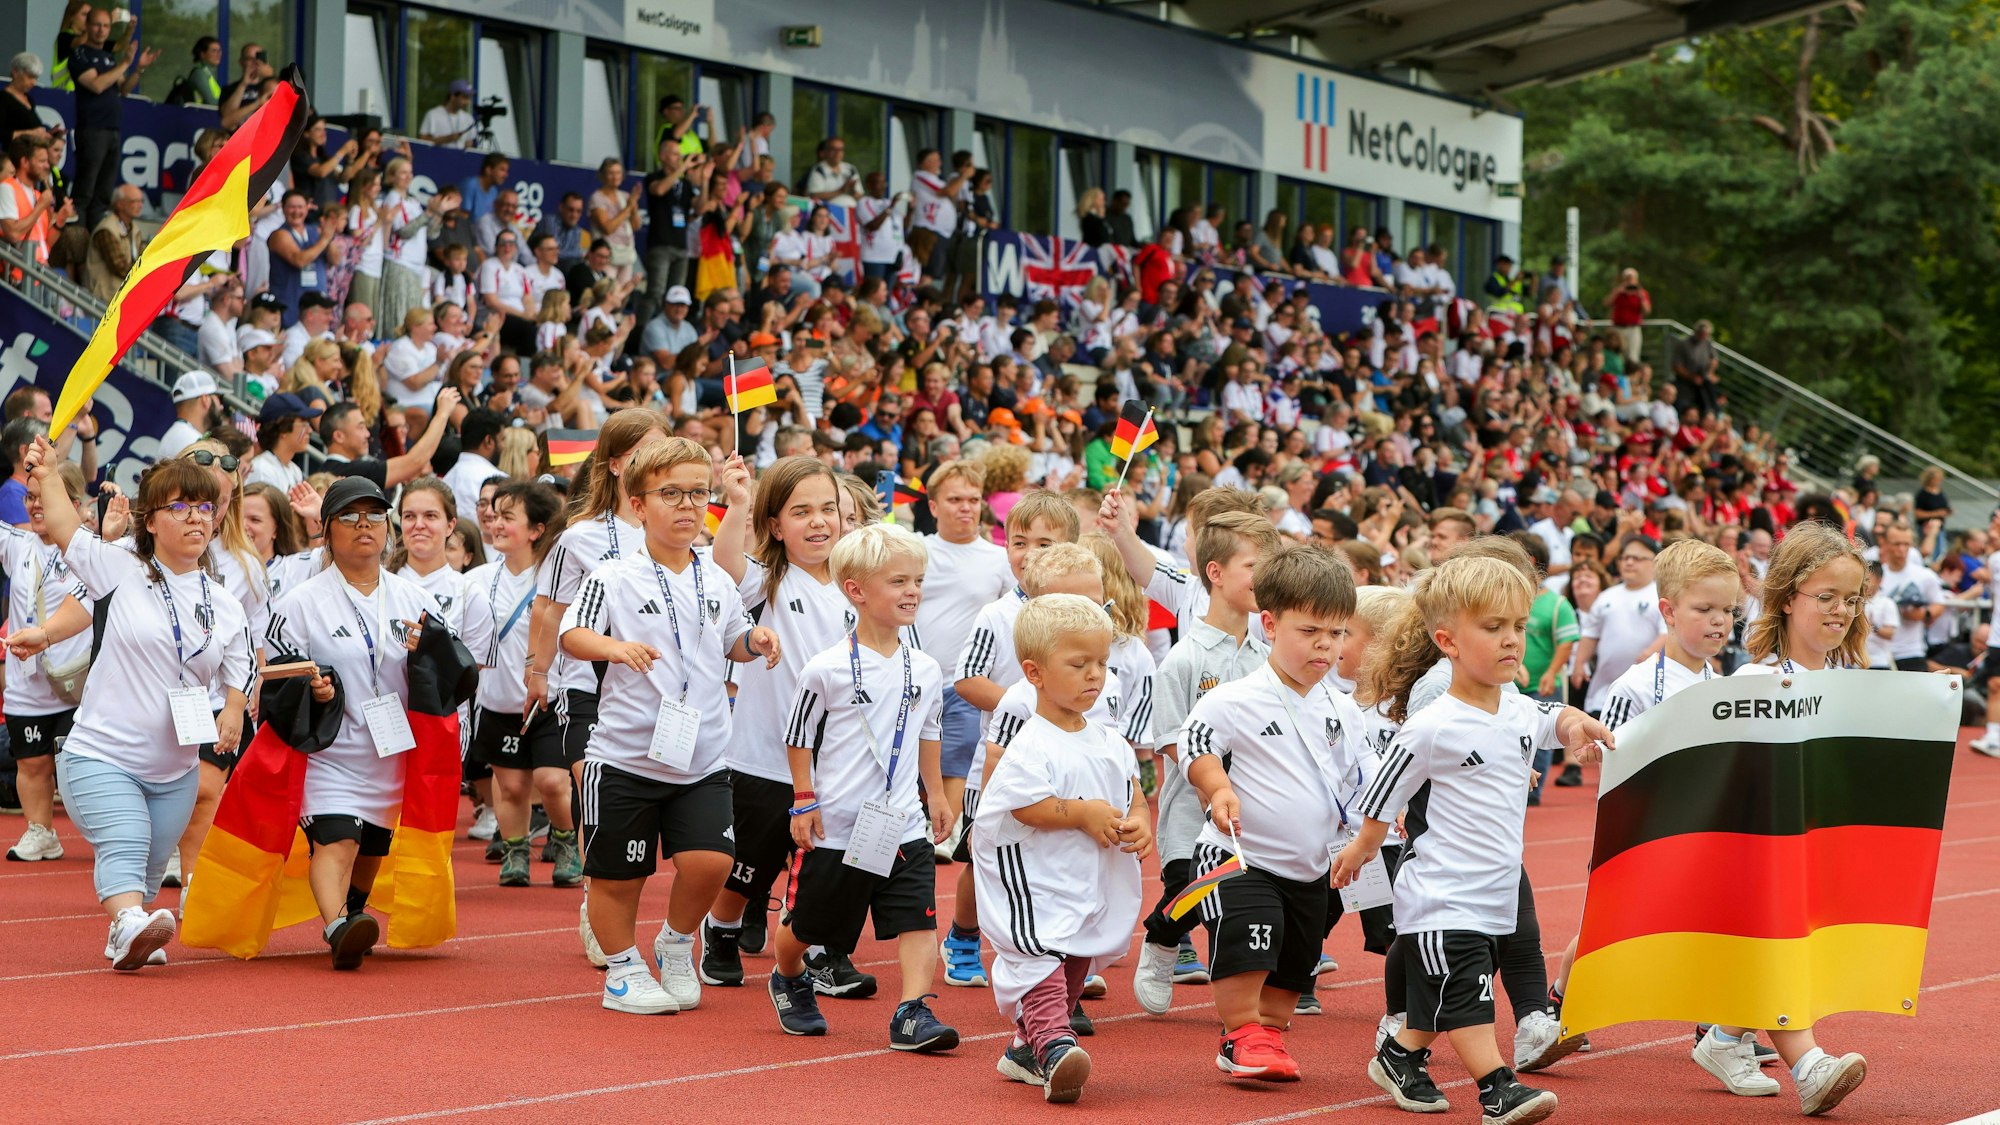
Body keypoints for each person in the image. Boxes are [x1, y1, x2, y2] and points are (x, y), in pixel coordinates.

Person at [1339, 554, 1613, 1120]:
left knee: (1444, 997)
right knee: (1466, 998)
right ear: (1449, 641)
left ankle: (1397, 1057)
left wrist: (1574, 723)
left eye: (1518, 625)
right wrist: (1363, 848)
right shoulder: (1433, 723)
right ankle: (1496, 1087)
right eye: (1493, 628)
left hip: (1494, 894)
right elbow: (1385, 788)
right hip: (1443, 895)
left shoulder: (1512, 707)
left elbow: (1550, 716)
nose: (1513, 640)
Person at [559, 437, 780, 1014]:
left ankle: (677, 943)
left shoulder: (717, 578)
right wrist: (614, 647)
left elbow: (731, 642)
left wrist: (753, 642)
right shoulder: (613, 576)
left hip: (703, 755)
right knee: (617, 877)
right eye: (671, 494)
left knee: (711, 861)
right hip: (626, 757)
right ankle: (624, 971)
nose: (686, 505)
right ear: (638, 505)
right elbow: (572, 637)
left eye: (696, 493)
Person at [27, 439, 253, 970]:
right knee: (125, 842)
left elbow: (239, 664)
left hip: (174, 768)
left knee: (149, 871)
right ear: (151, 521)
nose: (195, 518)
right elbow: (63, 525)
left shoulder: (221, 602)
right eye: (180, 507)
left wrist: (234, 710)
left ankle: (124, 928)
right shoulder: (121, 568)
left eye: (203, 508)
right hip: (102, 754)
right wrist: (50, 468)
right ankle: (130, 922)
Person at [1177, 545, 1368, 1081]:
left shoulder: (1344, 709)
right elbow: (1194, 745)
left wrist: (1381, 818)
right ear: (1269, 624)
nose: (1325, 645)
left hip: (1311, 868)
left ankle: (1265, 1033)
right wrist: (1216, 788)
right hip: (1243, 858)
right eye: (1310, 631)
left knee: (1289, 978)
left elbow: (1367, 777)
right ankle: (1241, 1033)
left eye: (1335, 633)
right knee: (1251, 939)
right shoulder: (1235, 698)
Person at [763, 522, 956, 1048]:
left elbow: (930, 731)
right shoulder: (826, 669)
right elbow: (798, 737)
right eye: (897, 581)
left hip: (903, 823)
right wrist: (804, 799)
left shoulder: (927, 667)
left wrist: (935, 793)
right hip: (839, 824)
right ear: (856, 591)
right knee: (807, 927)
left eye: (916, 580)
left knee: (919, 917)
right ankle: (788, 976)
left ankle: (912, 1011)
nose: (911, 591)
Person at [1706, 521, 1871, 1114]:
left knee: (1799, 947)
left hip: (1817, 847)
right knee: (1782, 944)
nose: (1840, 611)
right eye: (1825, 597)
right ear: (1785, 599)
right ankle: (1808, 1063)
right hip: (1758, 849)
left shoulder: (1852, 683)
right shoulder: (1751, 681)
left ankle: (1726, 1036)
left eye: (1850, 600)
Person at [264, 477, 452, 968]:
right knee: (337, 838)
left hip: (392, 752)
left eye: (374, 515)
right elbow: (274, 674)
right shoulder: (301, 603)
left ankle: (353, 916)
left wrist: (429, 653)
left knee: (372, 842)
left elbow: (452, 676)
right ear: (325, 531)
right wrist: (313, 686)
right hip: (331, 753)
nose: (363, 525)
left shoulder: (413, 600)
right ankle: (336, 928)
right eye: (348, 517)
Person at [972, 593, 1150, 1102]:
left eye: (1102, 663)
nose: (1095, 675)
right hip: (1035, 878)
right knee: (1039, 952)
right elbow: (1023, 807)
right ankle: (1053, 1042)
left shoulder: (1110, 741)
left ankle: (1027, 1048)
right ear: (1035, 672)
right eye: (1079, 664)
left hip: (1085, 878)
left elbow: (1133, 795)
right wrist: (1083, 811)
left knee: (1076, 953)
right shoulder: (1033, 740)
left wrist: (1138, 822)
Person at [699, 456, 864, 990]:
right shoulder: (769, 580)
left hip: (835, 761)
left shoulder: (858, 587)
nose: (819, 522)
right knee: (748, 866)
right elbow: (725, 562)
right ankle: (721, 928)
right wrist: (738, 501)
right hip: (763, 756)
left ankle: (820, 949)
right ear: (775, 525)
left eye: (828, 510)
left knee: (824, 861)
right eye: (802, 512)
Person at [526, 408, 671, 966]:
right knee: (594, 782)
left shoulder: (683, 531)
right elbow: (550, 608)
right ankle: (598, 896)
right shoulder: (580, 538)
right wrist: (538, 675)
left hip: (657, 688)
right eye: (644, 453)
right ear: (615, 465)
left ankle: (614, 892)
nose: (656, 464)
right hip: (587, 683)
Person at [1128, 509, 1280, 1015]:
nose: (1267, 577)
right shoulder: (1184, 658)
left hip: (1256, 812)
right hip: (1193, 814)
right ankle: (1160, 941)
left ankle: (1251, 997)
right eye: (1255, 566)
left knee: (1240, 905)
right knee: (1188, 892)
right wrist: (1212, 787)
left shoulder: (1268, 656)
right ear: (1215, 573)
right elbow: (1172, 740)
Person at [942, 491, 1082, 986]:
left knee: (1055, 861)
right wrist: (1031, 704)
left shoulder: (1084, 620)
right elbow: (967, 679)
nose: (1028, 553)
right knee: (983, 859)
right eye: (1018, 541)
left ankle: (1056, 953)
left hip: (1067, 767)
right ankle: (962, 936)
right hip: (1000, 761)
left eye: (1044, 543)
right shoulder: (997, 616)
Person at [464, 481, 573, 885]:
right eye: (494, 514)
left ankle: (565, 841)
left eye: (509, 516)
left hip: (549, 698)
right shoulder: (475, 580)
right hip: (498, 701)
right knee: (509, 788)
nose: (495, 522)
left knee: (551, 781)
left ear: (536, 530)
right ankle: (515, 852)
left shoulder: (557, 578)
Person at [910, 460, 1013, 859]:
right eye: (955, 500)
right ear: (933, 506)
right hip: (912, 676)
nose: (965, 508)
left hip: (964, 681)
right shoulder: (915, 550)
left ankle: (944, 833)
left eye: (973, 500)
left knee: (956, 756)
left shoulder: (998, 558)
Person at [0, 462, 95, 863]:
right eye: (31, 497)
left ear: (72, 503)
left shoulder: (90, 550)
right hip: (28, 685)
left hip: (79, 684)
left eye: (45, 498)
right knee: (32, 763)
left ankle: (110, 841)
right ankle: (41, 832)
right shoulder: (18, 545)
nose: (36, 506)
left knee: (84, 771)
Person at [67, 7, 156, 227]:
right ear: (87, 26)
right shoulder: (80, 54)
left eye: (106, 26)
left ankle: (96, 240)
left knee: (104, 194)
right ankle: (78, 241)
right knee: (85, 191)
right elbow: (96, 85)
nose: (101, 30)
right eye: (97, 25)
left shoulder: (107, 57)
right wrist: (125, 63)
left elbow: (123, 89)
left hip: (112, 130)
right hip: (92, 129)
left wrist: (138, 69)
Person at [1571, 532, 1665, 717]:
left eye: (1637, 558)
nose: (1629, 563)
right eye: (1625, 558)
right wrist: (1579, 664)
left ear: (1654, 563)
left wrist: (1650, 652)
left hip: (1646, 690)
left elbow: (1667, 632)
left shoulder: (1660, 596)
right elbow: (1590, 633)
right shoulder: (1607, 596)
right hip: (1604, 690)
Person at [1877, 521, 1942, 673]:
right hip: (1879, 653)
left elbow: (1938, 603)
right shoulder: (1875, 575)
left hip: (1911, 651)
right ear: (1885, 544)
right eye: (1896, 544)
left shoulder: (1924, 575)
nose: (1902, 549)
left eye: (1906, 544)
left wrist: (1924, 614)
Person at [644, 143, 704, 305]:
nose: (679, 157)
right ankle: (645, 327)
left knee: (677, 294)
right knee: (656, 291)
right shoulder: (653, 177)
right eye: (675, 154)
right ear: (662, 156)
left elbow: (700, 207)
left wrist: (705, 180)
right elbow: (659, 190)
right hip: (660, 244)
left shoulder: (685, 185)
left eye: (680, 154)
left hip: (681, 246)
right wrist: (683, 168)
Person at [247, 393, 321, 491]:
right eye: (303, 424)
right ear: (283, 429)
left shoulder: (295, 470)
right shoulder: (262, 469)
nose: (309, 430)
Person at [84, 182, 142, 304]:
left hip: (124, 297)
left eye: (141, 201)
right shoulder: (107, 229)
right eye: (134, 201)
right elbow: (120, 267)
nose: (140, 205)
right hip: (105, 298)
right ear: (120, 204)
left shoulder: (134, 229)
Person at [159, 371, 223, 461]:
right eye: (219, 398)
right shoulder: (193, 442)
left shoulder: (177, 435)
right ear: (205, 400)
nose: (221, 406)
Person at [1603, 267, 1652, 362]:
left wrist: (1640, 297)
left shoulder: (1642, 293)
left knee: (1633, 357)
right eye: (1627, 279)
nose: (1630, 282)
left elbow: (1647, 311)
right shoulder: (1618, 292)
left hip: (1633, 329)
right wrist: (1617, 292)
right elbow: (1606, 303)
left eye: (1632, 279)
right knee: (1617, 355)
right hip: (1618, 328)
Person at [419, 79, 478, 150]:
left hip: (459, 159)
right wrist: (447, 139)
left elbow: (469, 143)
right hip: (437, 158)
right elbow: (422, 141)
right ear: (452, 96)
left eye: (469, 98)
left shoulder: (468, 118)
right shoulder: (433, 114)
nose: (467, 102)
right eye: (464, 97)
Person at [802, 136, 860, 206]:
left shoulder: (851, 169)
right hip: (828, 212)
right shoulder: (819, 169)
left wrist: (852, 192)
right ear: (826, 151)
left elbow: (860, 196)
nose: (837, 153)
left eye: (841, 149)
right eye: (834, 149)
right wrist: (841, 191)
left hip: (850, 211)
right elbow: (814, 196)